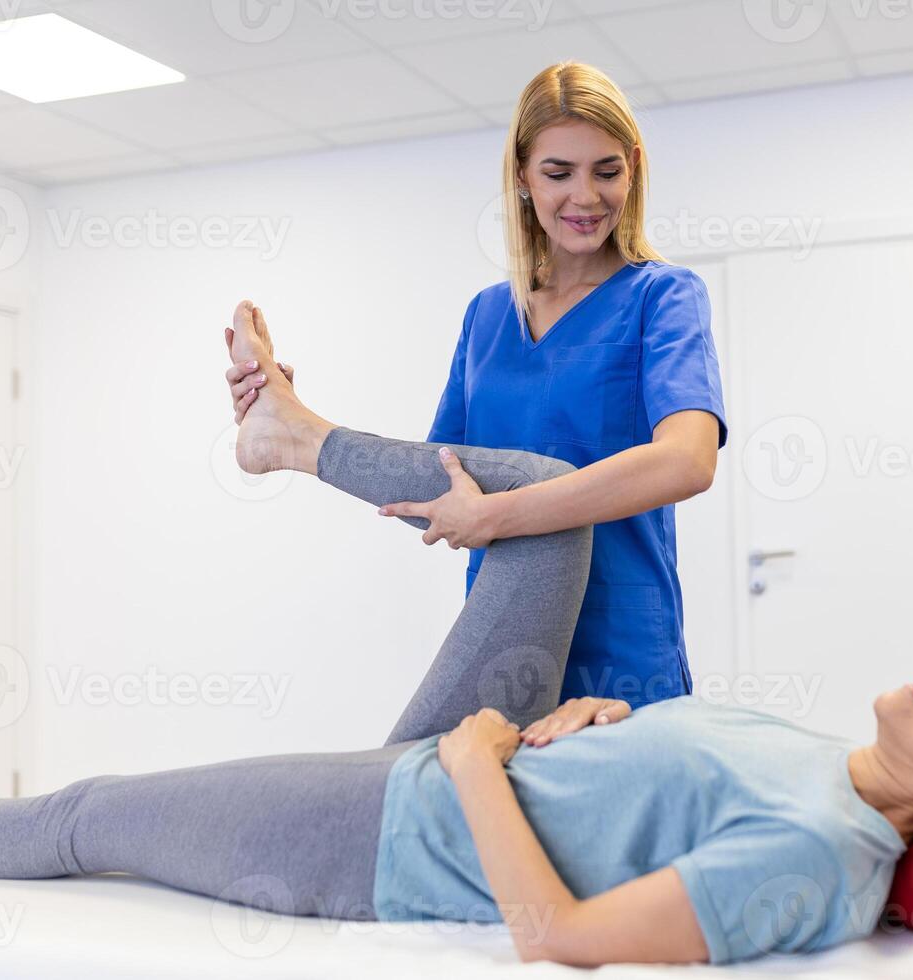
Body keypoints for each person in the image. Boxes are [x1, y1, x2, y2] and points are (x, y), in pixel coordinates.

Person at [0, 303, 913, 967]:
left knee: (92, 814)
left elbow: (560, 937)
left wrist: (476, 764)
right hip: (489, 747)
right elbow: (672, 790)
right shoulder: (833, 763)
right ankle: (293, 438)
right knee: (540, 504)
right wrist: (610, 722)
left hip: (393, 828)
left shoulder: (822, 856)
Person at [226, 61, 727, 711]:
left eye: (607, 171)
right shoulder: (488, 315)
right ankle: (293, 433)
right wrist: (298, 413)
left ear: (633, 166)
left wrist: (498, 515)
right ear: (521, 175)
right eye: (558, 173)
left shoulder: (663, 296)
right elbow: (440, 489)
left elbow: (687, 460)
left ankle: (295, 432)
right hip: (507, 638)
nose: (585, 196)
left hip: (623, 654)